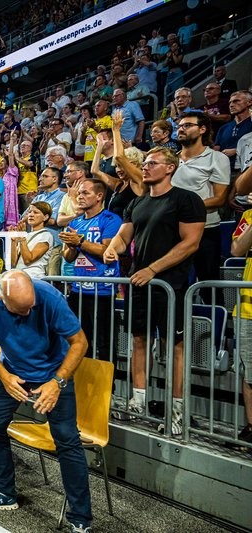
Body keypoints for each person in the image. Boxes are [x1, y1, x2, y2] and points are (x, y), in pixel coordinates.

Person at [0, 270, 91, 533]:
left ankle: (80, 518)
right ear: (2, 299)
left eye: (30, 308)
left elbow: (80, 342)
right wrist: (4, 377)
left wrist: (58, 382)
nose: (27, 314)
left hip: (53, 375)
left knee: (67, 441)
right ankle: (4, 493)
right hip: (12, 372)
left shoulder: (49, 297)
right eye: (20, 311)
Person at [103, 147, 206, 435]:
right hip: (139, 282)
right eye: (145, 163)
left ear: (170, 168)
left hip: (171, 285)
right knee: (139, 341)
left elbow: (190, 243)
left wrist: (153, 269)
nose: (145, 168)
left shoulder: (186, 199)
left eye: (152, 163)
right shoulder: (138, 202)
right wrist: (113, 249)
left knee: (175, 347)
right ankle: (139, 402)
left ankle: (177, 411)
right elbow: (124, 236)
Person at [60, 179, 122, 359]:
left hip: (101, 290)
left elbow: (107, 251)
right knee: (78, 342)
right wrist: (71, 246)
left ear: (99, 196)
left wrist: (79, 242)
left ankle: (105, 387)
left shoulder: (111, 219)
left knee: (104, 344)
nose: (80, 196)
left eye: (85, 193)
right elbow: (68, 257)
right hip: (78, 290)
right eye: (79, 193)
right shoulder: (76, 222)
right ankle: (80, 384)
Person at [172, 112, 231, 296]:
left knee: (208, 288)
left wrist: (182, 209)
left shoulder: (216, 158)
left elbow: (220, 199)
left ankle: (214, 323)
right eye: (180, 126)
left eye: (187, 125)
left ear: (202, 129)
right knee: (175, 286)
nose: (181, 129)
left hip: (205, 229)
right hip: (173, 230)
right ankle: (178, 325)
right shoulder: (171, 159)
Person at [230, 198, 252, 445]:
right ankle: (250, 425)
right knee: (249, 370)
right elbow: (236, 250)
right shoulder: (248, 216)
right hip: (247, 306)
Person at [12, 202, 54, 278]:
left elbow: (28, 260)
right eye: (29, 212)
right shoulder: (26, 235)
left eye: (36, 212)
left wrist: (22, 238)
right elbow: (13, 262)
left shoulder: (46, 235)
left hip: (34, 277)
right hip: (20, 276)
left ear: (45, 217)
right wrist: (13, 241)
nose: (31, 215)